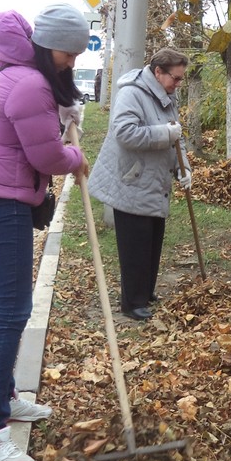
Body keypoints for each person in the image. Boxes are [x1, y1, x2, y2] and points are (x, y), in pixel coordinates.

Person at [0, 4, 91, 461]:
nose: (72, 61)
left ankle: (6, 397)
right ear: (45, 44)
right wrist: (74, 155)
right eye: (67, 52)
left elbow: (33, 139)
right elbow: (48, 158)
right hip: (1, 202)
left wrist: (61, 115)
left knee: (12, 306)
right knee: (11, 309)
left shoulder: (19, 72)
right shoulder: (29, 83)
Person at [87, 47, 192, 321]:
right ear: (158, 72)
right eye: (176, 78)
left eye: (181, 79)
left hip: (154, 181)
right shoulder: (131, 93)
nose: (178, 84)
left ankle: (145, 292)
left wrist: (184, 168)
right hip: (132, 179)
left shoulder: (167, 95)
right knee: (135, 244)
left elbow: (176, 138)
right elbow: (124, 133)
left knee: (152, 240)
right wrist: (164, 133)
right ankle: (131, 302)